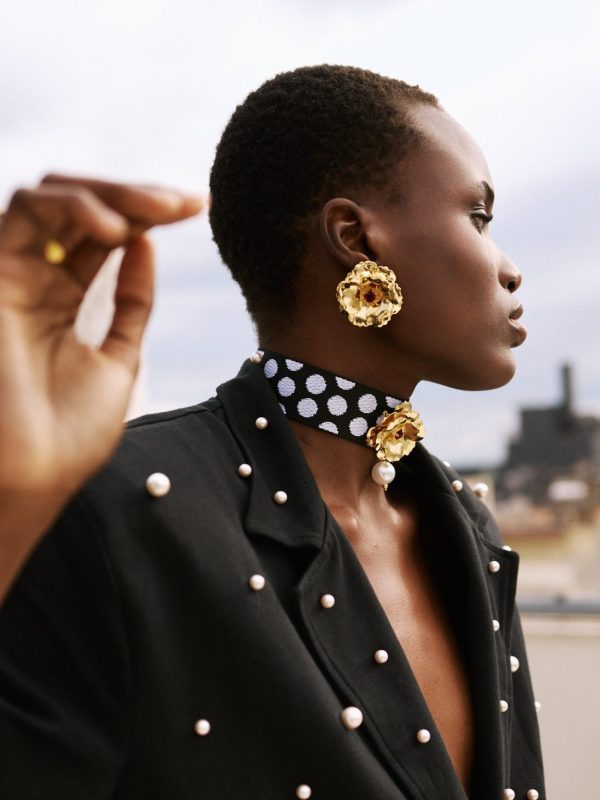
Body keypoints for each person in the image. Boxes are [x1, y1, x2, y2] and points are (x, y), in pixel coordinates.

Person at [0, 66, 545, 800]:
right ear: (355, 238)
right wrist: (12, 503)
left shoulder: (465, 523)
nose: (509, 268)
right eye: (478, 216)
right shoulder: (122, 505)